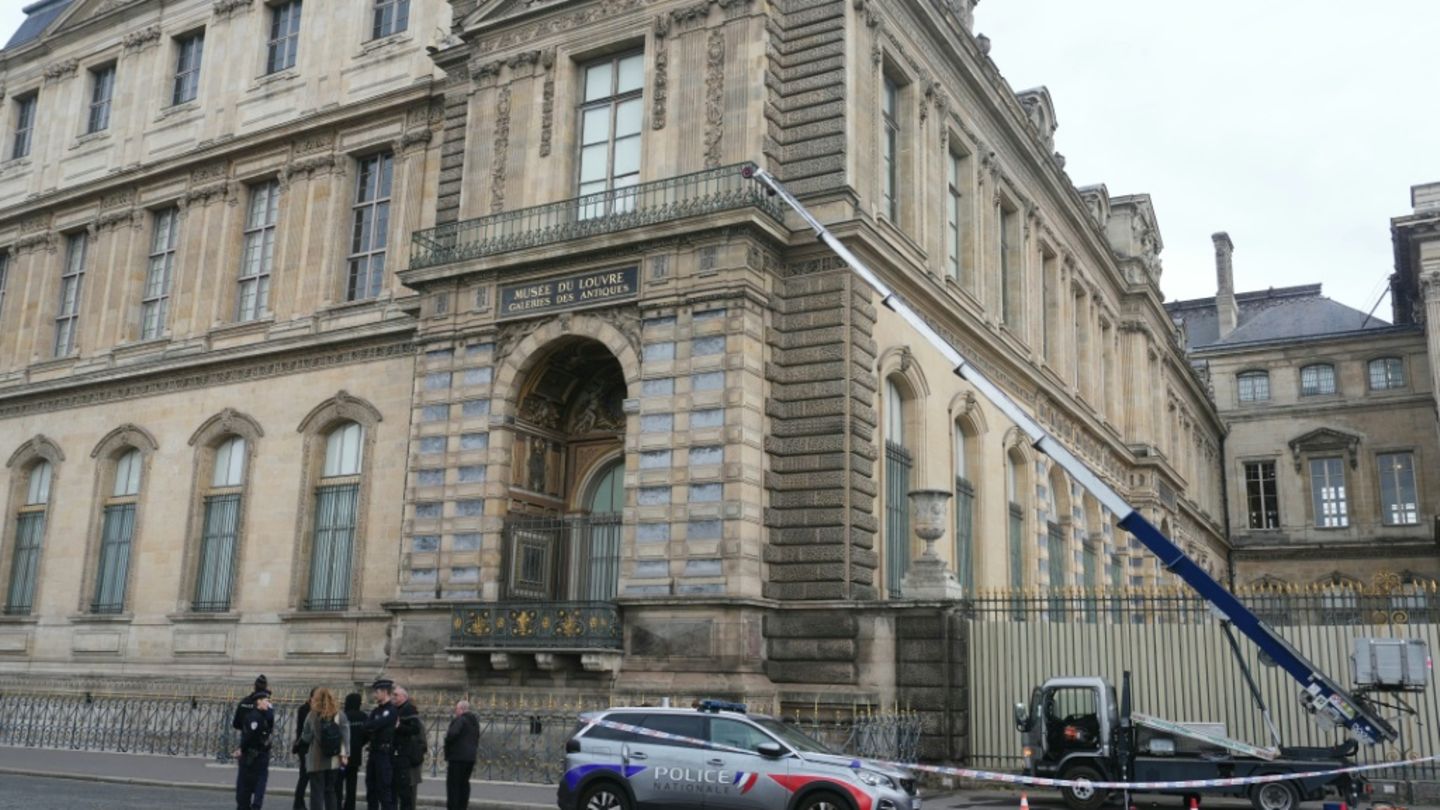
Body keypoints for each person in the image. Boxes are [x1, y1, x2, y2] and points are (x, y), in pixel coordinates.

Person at [300, 687, 350, 810]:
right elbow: (346, 736)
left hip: (316, 760)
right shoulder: (340, 714)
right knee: (330, 791)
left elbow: (305, 737)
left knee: (316, 793)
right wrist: (345, 754)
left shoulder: (312, 715)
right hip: (334, 759)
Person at [235, 690, 275, 810]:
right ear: (259, 701)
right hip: (252, 754)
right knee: (253, 784)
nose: (268, 704)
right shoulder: (254, 717)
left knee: (258, 782)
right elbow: (249, 736)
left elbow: (271, 723)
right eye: (266, 701)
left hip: (260, 754)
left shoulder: (265, 715)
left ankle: (253, 806)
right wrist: (241, 749)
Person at [363, 679, 399, 810]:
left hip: (384, 754)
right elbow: (367, 726)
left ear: (385, 692)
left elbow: (376, 724)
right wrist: (374, 726)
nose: (375, 695)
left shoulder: (391, 710)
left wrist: (374, 726)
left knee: (384, 790)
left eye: (377, 692)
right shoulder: (376, 711)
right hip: (373, 752)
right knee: (370, 787)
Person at [442, 700, 479, 810]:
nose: (455, 711)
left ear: (461, 709)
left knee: (454, 786)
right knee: (464, 784)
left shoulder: (461, 720)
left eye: (456, 709)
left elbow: (452, 734)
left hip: (457, 757)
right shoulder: (474, 722)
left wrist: (448, 742)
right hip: (470, 758)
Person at [393, 686, 425, 810]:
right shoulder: (401, 714)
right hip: (402, 759)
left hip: (411, 760)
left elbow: (421, 741)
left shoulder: (414, 720)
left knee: (409, 794)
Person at [338, 692, 368, 810]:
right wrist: (360, 744)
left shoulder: (343, 716)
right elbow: (368, 734)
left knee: (339, 782)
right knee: (352, 784)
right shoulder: (363, 717)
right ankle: (350, 806)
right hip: (355, 754)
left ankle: (337, 805)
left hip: (342, 755)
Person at [293, 687, 318, 810]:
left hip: (309, 747)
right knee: (305, 776)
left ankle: (299, 802)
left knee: (305, 776)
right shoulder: (305, 710)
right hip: (305, 747)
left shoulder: (312, 709)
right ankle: (298, 803)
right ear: (311, 697)